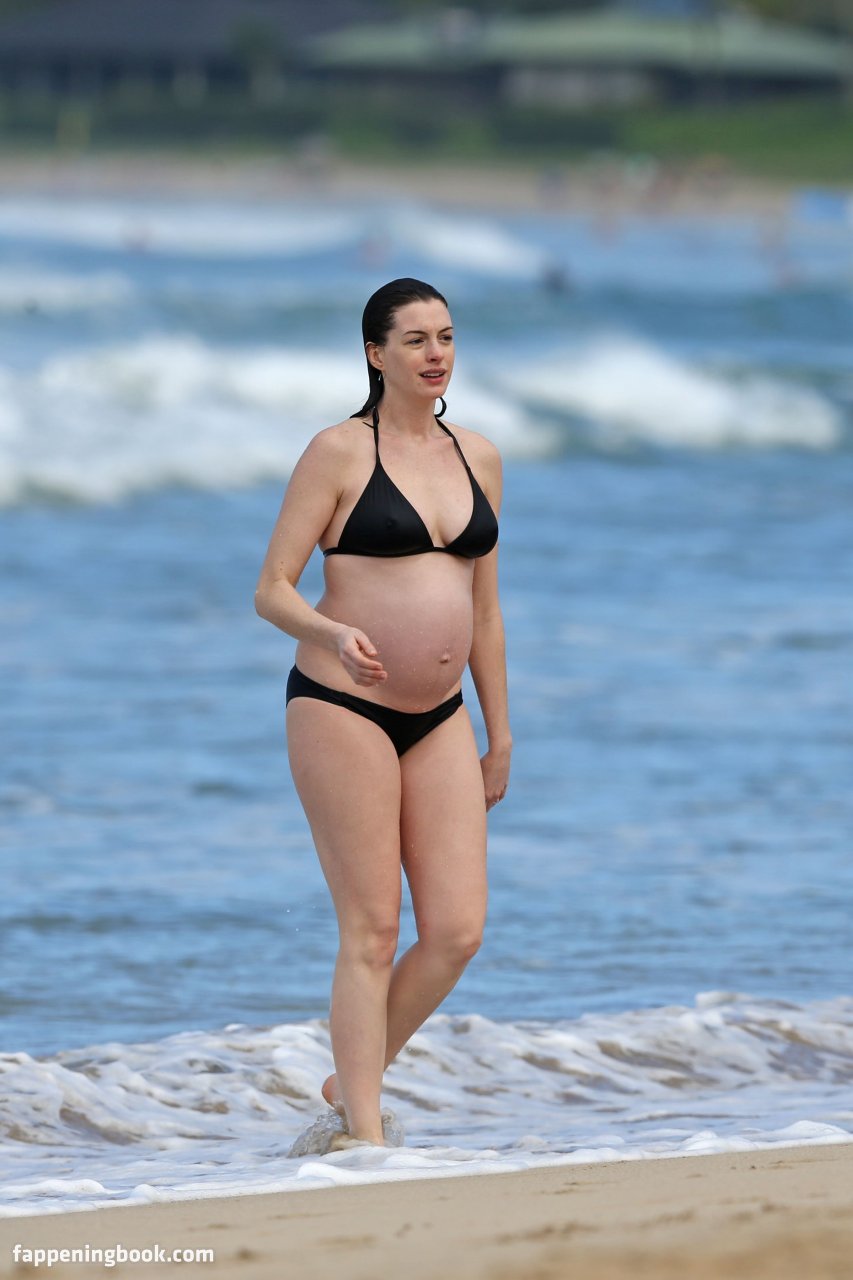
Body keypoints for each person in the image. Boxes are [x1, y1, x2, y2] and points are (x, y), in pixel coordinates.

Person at [254, 278, 511, 1150]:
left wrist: (499, 733)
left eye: (446, 337)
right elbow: (271, 590)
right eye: (414, 341)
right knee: (371, 928)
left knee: (457, 931)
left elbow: (484, 612)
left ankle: (352, 1075)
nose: (436, 354)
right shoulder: (337, 452)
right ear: (375, 354)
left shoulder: (478, 457)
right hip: (343, 705)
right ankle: (363, 1139)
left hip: (440, 716)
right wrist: (331, 632)